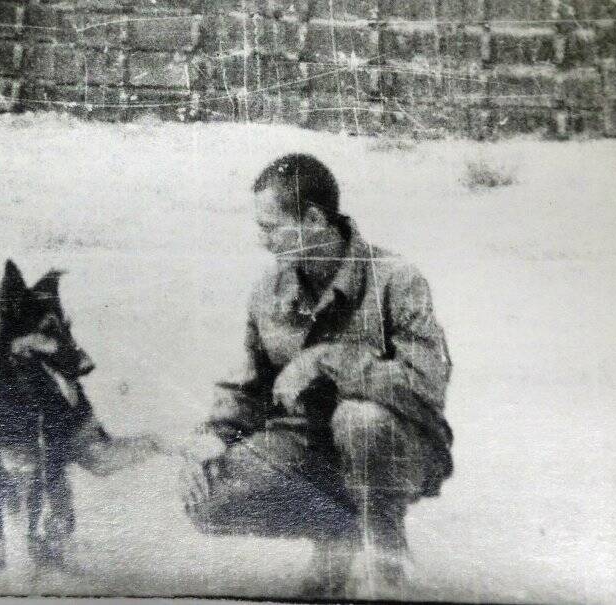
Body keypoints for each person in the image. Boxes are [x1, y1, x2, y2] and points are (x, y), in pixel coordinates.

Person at [179, 153, 454, 597]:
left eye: (272, 227)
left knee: (359, 419)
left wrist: (328, 359)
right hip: (311, 446)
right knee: (209, 494)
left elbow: (426, 383)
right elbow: (248, 385)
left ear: (312, 218)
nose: (263, 241)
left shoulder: (396, 279)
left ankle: (386, 554)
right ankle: (339, 533)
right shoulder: (269, 290)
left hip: (399, 445)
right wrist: (209, 435)